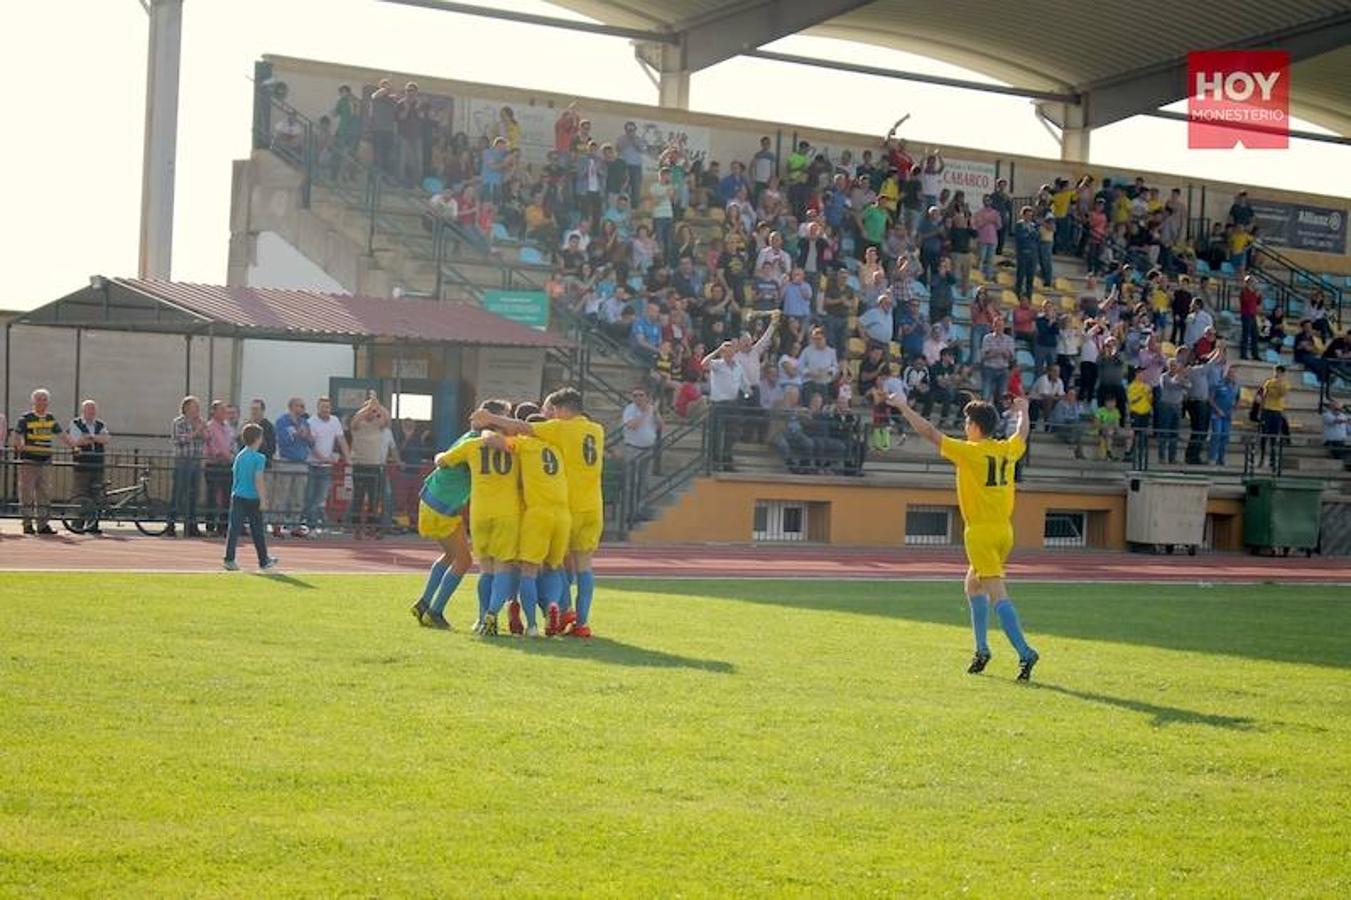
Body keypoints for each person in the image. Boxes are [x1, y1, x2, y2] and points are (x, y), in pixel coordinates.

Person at [886, 392, 1039, 680]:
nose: (964, 426)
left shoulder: (971, 452)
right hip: (1004, 530)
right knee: (972, 586)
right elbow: (1022, 432)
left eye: (967, 422)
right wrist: (1024, 410)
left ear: (976, 426)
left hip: (980, 532)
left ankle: (1025, 652)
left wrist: (903, 406)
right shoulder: (1006, 449)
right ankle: (981, 650)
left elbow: (929, 432)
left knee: (997, 595)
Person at [472, 388, 606, 638]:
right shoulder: (597, 430)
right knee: (584, 566)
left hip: (568, 506)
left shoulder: (559, 429)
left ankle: (554, 610)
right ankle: (582, 622)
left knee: (550, 565)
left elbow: (521, 428)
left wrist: (490, 419)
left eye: (553, 410)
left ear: (564, 409)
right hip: (594, 506)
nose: (552, 415)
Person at [435, 401, 521, 635]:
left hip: (481, 512)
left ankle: (482, 617)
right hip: (508, 512)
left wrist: (441, 454)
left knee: (486, 569)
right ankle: (493, 613)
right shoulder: (516, 445)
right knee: (503, 566)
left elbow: (442, 461)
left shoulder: (472, 445)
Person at [497, 414, 572, 637]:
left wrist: (487, 428)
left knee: (524, 569)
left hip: (534, 512)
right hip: (562, 514)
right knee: (553, 566)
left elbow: (496, 442)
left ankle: (529, 623)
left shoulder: (525, 444)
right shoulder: (557, 450)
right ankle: (551, 604)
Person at [410, 423, 479, 630]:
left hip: (432, 500)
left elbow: (442, 458)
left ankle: (424, 603)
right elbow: (442, 460)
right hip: (443, 506)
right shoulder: (476, 443)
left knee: (451, 555)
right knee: (464, 560)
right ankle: (435, 611)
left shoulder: (468, 435)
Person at [222, 423, 279, 572]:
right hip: (253, 498)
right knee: (257, 531)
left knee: (233, 528)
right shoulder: (259, 458)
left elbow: (236, 476)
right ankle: (263, 560)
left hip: (238, 496)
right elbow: (258, 479)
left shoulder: (240, 456)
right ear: (257, 439)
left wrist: (234, 492)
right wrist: (263, 499)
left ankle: (229, 558)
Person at [15, 388, 73, 535]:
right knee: (27, 493)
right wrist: (19, 444)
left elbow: (61, 434)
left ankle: (43, 525)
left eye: (44, 399)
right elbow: (18, 434)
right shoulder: (26, 418)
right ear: (33, 402)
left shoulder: (50, 418)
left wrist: (74, 446)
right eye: (39, 399)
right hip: (29, 460)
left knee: (45, 493)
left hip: (45, 460)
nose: (42, 402)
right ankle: (27, 524)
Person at [302, 396, 348, 534]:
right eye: (323, 407)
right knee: (309, 496)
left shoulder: (335, 421)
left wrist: (348, 457)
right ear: (318, 408)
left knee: (321, 497)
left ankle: (313, 525)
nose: (326, 410)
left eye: (328, 407)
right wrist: (322, 458)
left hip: (326, 467)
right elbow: (311, 445)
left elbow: (341, 439)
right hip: (312, 464)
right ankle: (309, 525)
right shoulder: (311, 422)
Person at [348, 395, 392, 538]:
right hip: (360, 465)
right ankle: (356, 528)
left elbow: (387, 418)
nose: (372, 414)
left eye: (374, 412)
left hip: (375, 467)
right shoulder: (358, 426)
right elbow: (354, 420)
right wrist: (368, 407)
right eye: (370, 411)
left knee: (374, 499)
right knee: (358, 498)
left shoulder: (378, 426)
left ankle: (372, 527)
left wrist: (377, 405)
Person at [68, 399, 110, 534]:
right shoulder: (76, 423)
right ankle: (77, 525)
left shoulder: (100, 424)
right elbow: (76, 441)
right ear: (83, 411)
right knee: (81, 494)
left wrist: (90, 437)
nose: (91, 412)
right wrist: (95, 438)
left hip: (97, 465)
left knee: (96, 495)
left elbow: (106, 439)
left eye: (93, 409)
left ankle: (93, 524)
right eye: (89, 409)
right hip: (81, 465)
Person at [273, 397, 312, 537]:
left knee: (298, 496)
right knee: (282, 496)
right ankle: (277, 524)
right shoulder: (282, 421)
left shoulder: (304, 422)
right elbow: (282, 441)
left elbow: (310, 442)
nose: (301, 409)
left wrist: (307, 436)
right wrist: (296, 434)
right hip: (286, 462)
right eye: (298, 406)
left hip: (301, 463)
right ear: (291, 407)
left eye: (303, 406)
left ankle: (295, 525)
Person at [168, 395, 206, 538]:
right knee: (178, 493)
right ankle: (171, 524)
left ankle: (192, 525)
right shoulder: (179, 422)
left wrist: (202, 430)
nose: (197, 411)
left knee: (193, 494)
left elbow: (206, 438)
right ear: (186, 408)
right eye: (194, 407)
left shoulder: (200, 422)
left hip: (196, 461)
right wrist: (196, 430)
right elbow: (182, 439)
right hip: (182, 461)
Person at [202, 400, 237, 536]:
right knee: (212, 496)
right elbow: (211, 444)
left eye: (225, 411)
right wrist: (221, 454)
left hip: (227, 465)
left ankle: (223, 526)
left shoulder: (228, 427)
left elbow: (232, 442)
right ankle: (210, 527)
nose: (225, 413)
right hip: (214, 464)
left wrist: (232, 454)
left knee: (227, 496)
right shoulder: (209, 426)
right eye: (221, 410)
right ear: (214, 411)